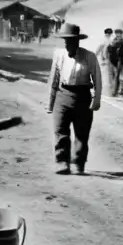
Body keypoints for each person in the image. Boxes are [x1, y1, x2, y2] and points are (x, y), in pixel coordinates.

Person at [45, 23, 101, 175]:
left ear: (77, 41)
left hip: (83, 97)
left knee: (82, 133)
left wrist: (96, 100)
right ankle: (62, 161)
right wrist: (50, 103)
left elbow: (97, 79)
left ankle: (79, 162)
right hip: (62, 95)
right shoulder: (59, 55)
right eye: (65, 39)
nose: (66, 42)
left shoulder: (89, 56)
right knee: (60, 129)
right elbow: (54, 79)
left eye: (70, 40)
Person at [105, 28, 123, 97]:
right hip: (114, 61)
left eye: (119, 33)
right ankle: (116, 91)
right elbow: (109, 49)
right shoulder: (114, 41)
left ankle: (119, 91)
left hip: (120, 60)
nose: (118, 35)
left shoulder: (122, 41)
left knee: (119, 76)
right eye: (117, 33)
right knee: (116, 76)